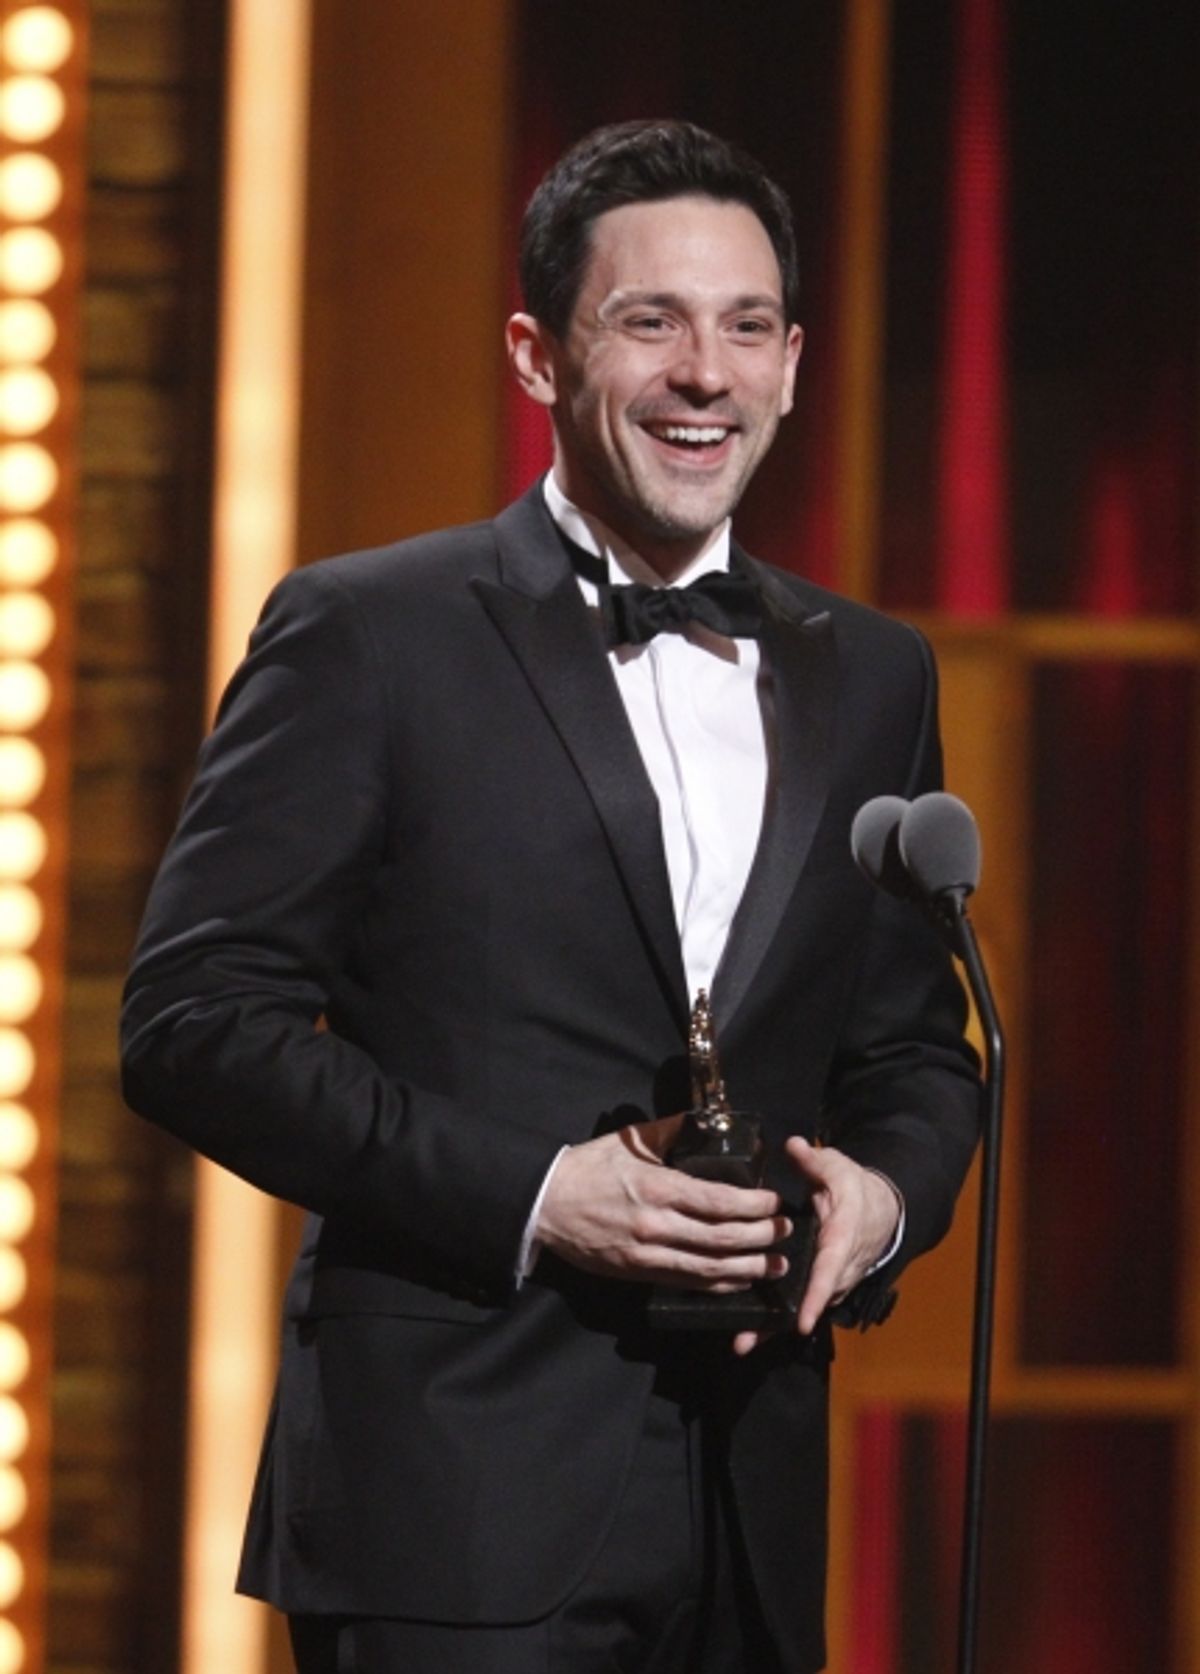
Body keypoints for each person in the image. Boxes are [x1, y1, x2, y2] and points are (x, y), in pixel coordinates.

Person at [121, 119, 980, 1674]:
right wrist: (539, 1192)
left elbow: (916, 1047)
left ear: (793, 362)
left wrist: (884, 1198)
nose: (702, 373)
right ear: (537, 354)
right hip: (449, 1492)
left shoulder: (875, 676)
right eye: (648, 321)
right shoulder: (368, 632)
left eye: (744, 327)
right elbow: (192, 1021)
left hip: (751, 1502)